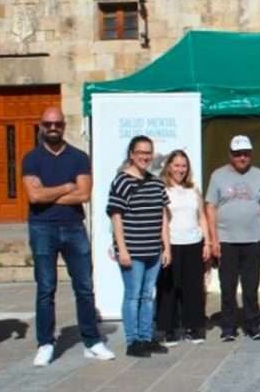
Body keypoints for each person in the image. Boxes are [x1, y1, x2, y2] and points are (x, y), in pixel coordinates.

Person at [22, 107, 115, 366]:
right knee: (46, 288)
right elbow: (34, 197)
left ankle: (92, 340)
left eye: (57, 124)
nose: (53, 128)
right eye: (48, 124)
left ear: (64, 126)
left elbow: (84, 194)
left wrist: (47, 194)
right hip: (42, 228)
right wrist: (65, 187)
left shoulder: (78, 157)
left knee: (84, 287)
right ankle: (45, 343)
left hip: (74, 227)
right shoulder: (31, 158)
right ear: (41, 126)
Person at [107, 135, 171, 358]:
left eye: (148, 152)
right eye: (141, 152)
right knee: (133, 296)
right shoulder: (122, 181)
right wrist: (121, 249)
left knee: (147, 296)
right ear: (132, 154)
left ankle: (146, 337)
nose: (145, 156)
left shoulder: (156, 182)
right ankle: (132, 341)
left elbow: (163, 216)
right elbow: (116, 216)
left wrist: (167, 247)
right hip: (132, 251)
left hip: (154, 250)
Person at [206, 135, 260, 342]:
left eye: (245, 153)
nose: (242, 157)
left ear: (251, 154)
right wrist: (213, 239)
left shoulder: (259, 174)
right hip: (227, 241)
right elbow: (210, 207)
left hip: (253, 240)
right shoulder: (218, 175)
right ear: (230, 155)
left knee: (251, 286)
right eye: (237, 154)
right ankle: (229, 327)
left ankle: (253, 325)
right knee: (228, 286)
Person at [156, 149, 210, 346]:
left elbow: (202, 217)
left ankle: (193, 327)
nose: (180, 169)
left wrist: (208, 242)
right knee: (169, 288)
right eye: (177, 165)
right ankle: (169, 329)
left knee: (193, 288)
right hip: (171, 244)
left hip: (193, 243)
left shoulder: (193, 190)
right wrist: (165, 246)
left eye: (184, 166)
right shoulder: (162, 189)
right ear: (169, 166)